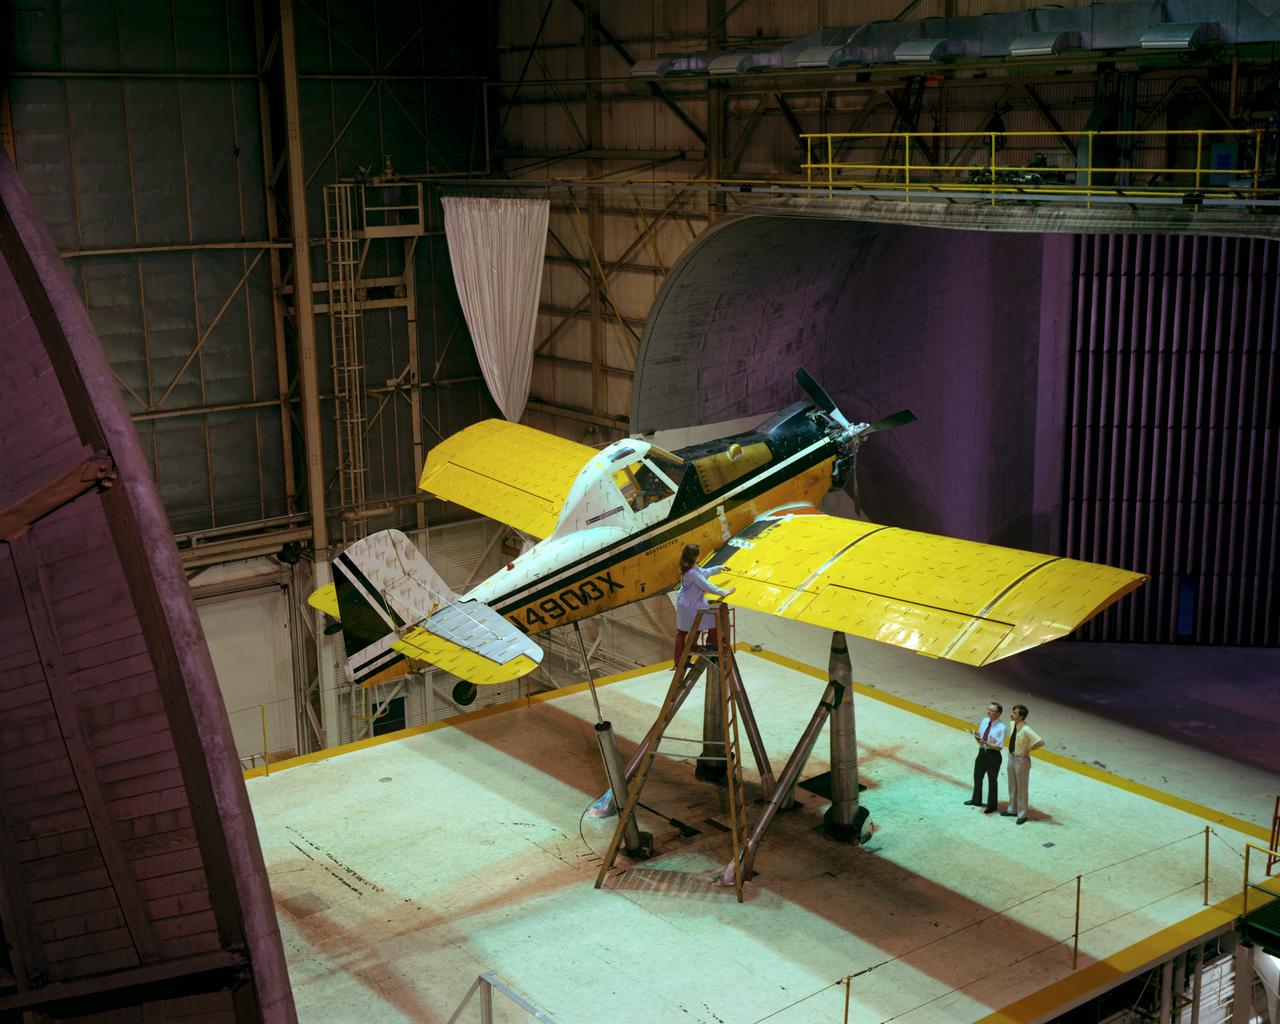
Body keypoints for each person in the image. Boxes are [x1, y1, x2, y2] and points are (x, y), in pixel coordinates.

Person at [673, 543, 735, 661]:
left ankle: (681, 660)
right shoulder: (691, 572)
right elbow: (706, 585)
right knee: (713, 621)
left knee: (683, 632)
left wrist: (718, 568)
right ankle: (710, 646)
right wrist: (724, 592)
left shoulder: (690, 567)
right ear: (694, 556)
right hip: (690, 604)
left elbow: (703, 573)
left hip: (687, 602)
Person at [1002, 704, 1044, 825]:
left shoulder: (1026, 729)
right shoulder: (1012, 724)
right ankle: (1012, 809)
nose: (1011, 714)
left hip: (1021, 760)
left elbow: (1040, 741)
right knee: (1012, 785)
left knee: (1022, 788)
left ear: (1021, 717)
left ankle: (1022, 814)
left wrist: (1028, 749)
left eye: (1014, 713)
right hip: (1011, 757)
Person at [964, 701, 1006, 813]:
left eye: (992, 710)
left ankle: (992, 806)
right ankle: (976, 799)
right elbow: (980, 736)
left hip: (993, 756)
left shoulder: (1002, 727)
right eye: (989, 709)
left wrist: (986, 742)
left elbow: (999, 746)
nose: (989, 712)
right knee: (977, 776)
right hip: (982, 752)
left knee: (992, 780)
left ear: (998, 713)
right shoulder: (984, 721)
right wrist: (975, 735)